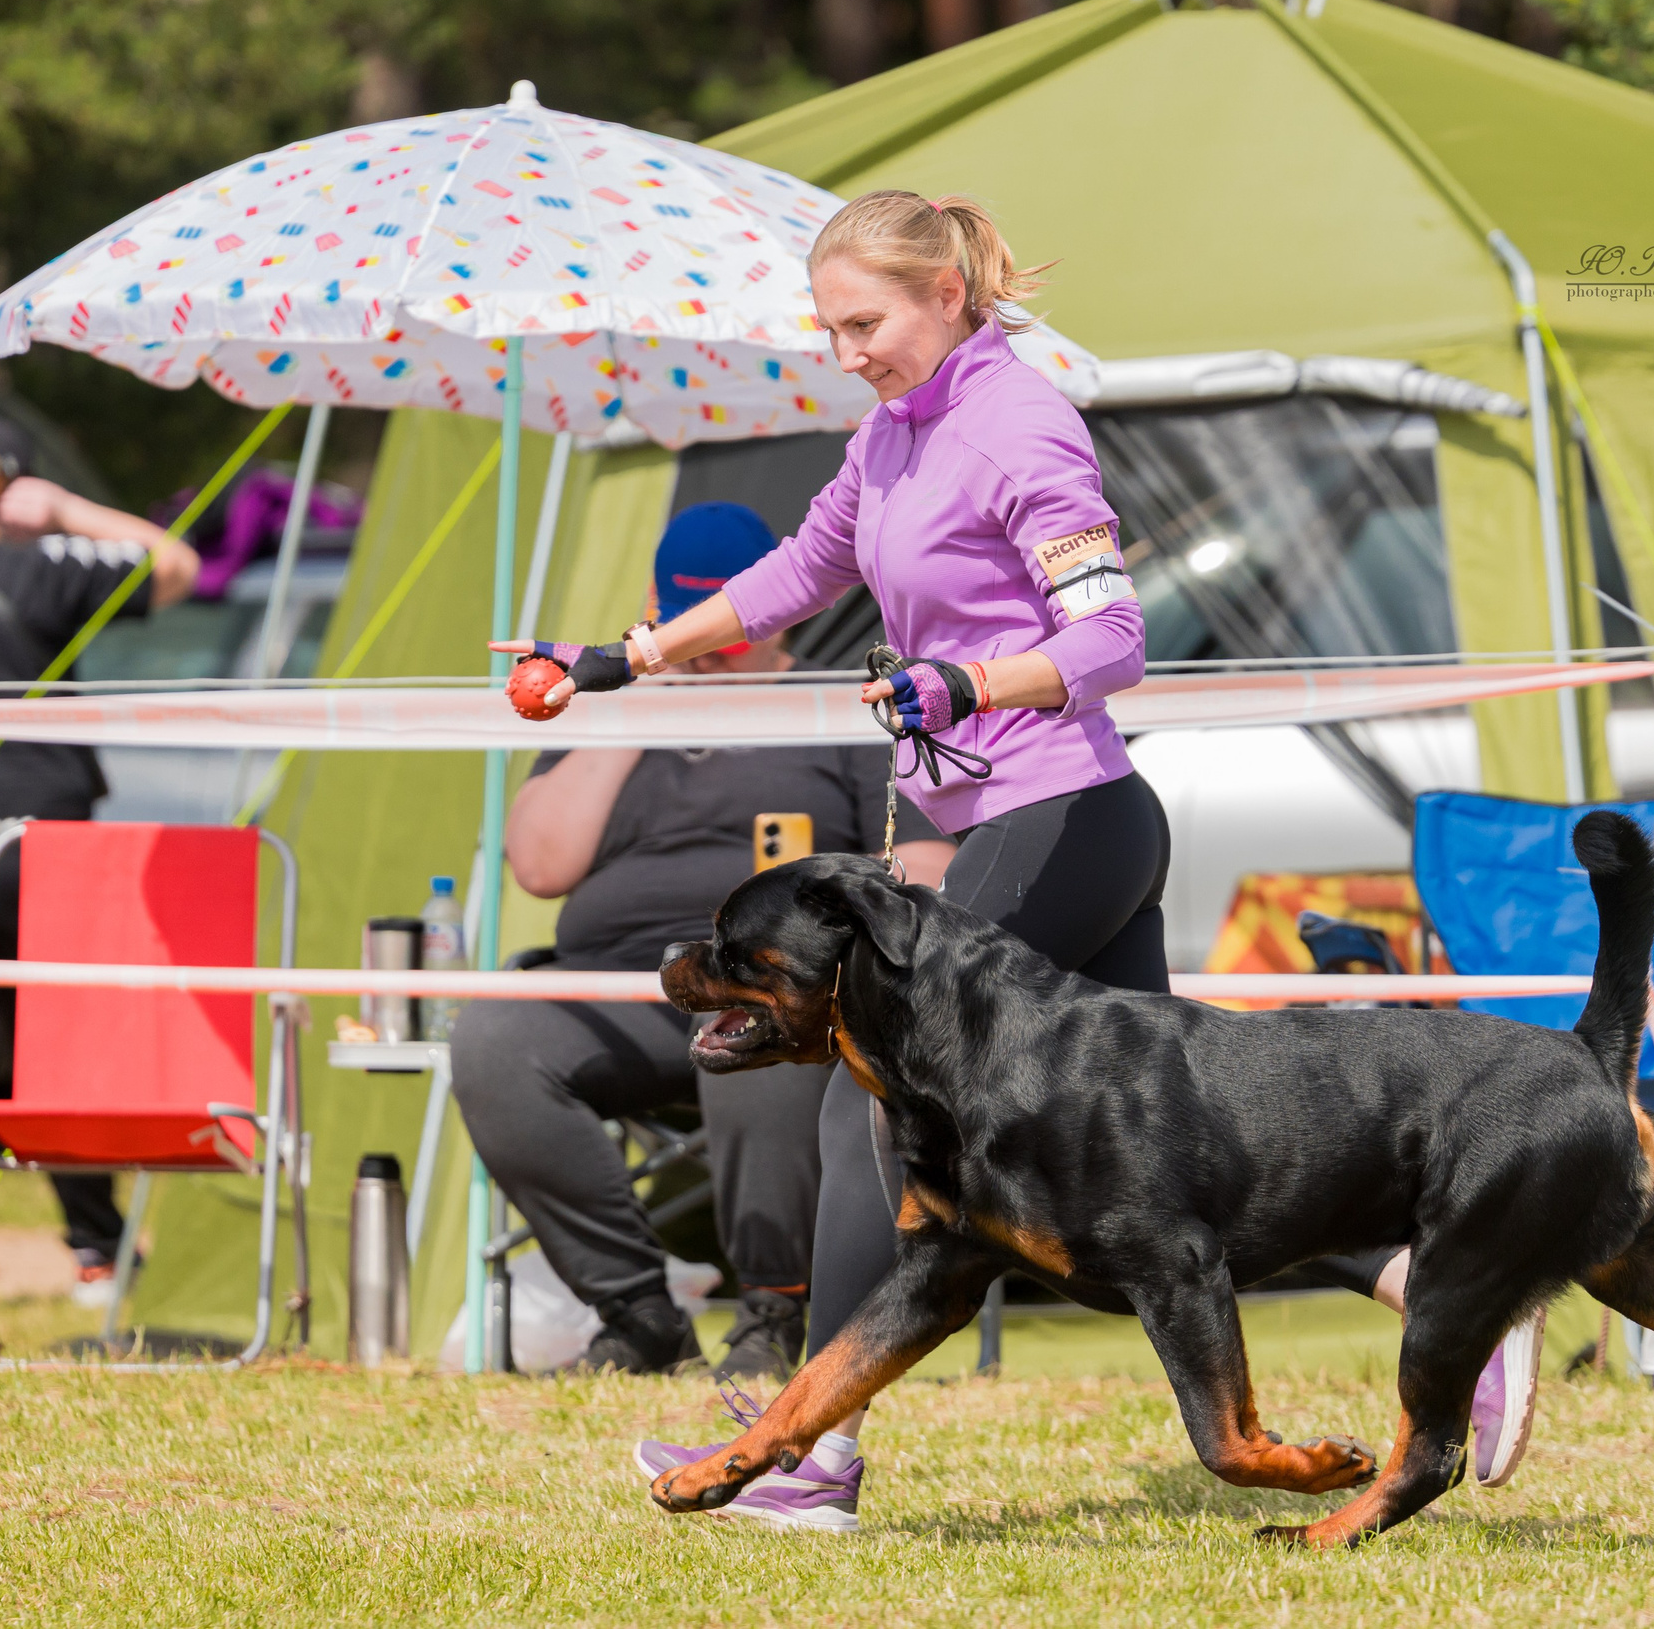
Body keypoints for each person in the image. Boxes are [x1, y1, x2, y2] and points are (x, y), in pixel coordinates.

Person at [505, 191, 1540, 1532]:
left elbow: (1113, 643)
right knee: (1155, 1153)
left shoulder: (1021, 422)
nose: (848, 351)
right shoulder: (889, 434)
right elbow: (804, 567)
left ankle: (817, 1461)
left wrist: (965, 682)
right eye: (828, 331)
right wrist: (632, 657)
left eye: (864, 323)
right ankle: (1435, 1289)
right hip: (993, 821)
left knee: (861, 1095)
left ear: (947, 297)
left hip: (1062, 815)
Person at [451, 502, 953, 1376]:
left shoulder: (833, 704)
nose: (715, 646)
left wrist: (835, 921)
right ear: (656, 603)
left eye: (726, 620)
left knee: (756, 1023)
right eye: (691, 615)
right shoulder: (610, 700)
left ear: (776, 606)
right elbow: (538, 863)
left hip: (775, 981)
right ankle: (637, 1311)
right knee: (494, 1039)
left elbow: (926, 861)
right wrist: (636, 699)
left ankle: (772, 1314)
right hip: (618, 984)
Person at [0, 416, 200, 1309]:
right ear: (18, 489)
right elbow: (177, 567)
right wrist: (70, 510)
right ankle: (97, 1252)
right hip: (42, 848)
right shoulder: (49, 568)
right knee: (54, 1041)